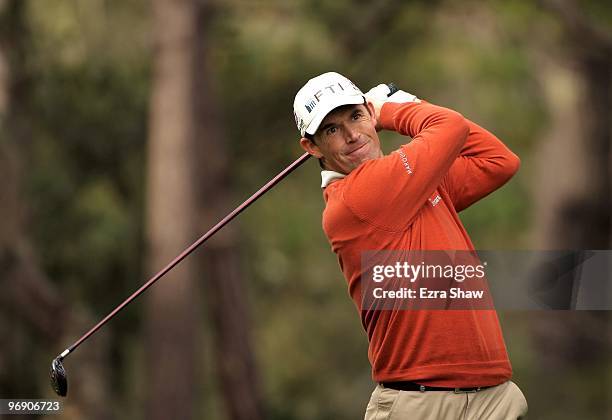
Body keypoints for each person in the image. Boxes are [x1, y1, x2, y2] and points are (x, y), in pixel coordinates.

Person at [293, 72, 528, 419]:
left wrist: (397, 107)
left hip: (493, 398)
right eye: (331, 129)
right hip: (420, 405)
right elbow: (449, 127)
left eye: (356, 116)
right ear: (311, 147)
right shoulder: (354, 198)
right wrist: (393, 110)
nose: (352, 135)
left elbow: (497, 161)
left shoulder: (413, 182)